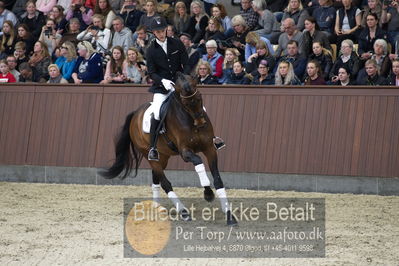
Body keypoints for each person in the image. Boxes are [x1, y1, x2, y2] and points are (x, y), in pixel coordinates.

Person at [145, 16, 189, 160]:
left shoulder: (177, 43)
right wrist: (162, 81)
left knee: (198, 105)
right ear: (153, 33)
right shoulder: (151, 50)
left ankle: (212, 138)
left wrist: (183, 79)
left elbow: (186, 63)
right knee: (157, 112)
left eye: (162, 30)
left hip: (179, 84)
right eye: (157, 32)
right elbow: (151, 72)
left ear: (166, 29)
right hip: (161, 87)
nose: (160, 33)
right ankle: (152, 148)